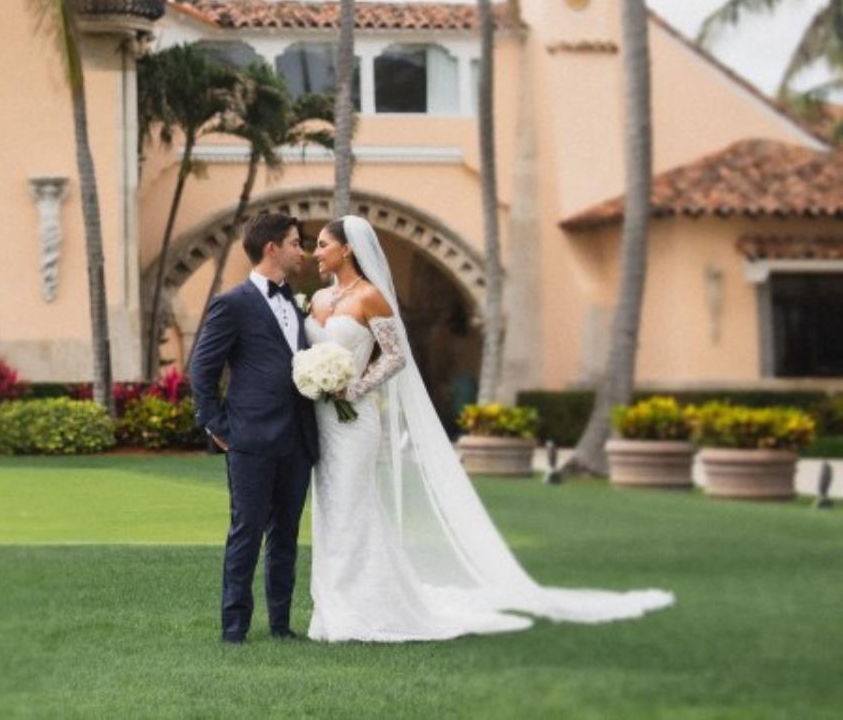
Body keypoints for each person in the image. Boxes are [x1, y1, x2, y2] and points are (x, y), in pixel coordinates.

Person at [301, 215, 675, 641]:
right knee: (330, 509)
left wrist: (356, 387)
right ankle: (331, 603)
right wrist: (312, 378)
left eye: (324, 245)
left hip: (354, 419)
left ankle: (359, 608)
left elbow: (395, 356)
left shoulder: (371, 297)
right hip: (321, 420)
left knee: (353, 507)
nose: (317, 252)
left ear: (347, 249)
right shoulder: (317, 299)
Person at [188, 211, 318, 643]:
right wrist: (215, 423)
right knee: (246, 532)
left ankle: (281, 624)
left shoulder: (294, 302)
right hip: (251, 438)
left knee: (286, 535)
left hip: (297, 438)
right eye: (296, 243)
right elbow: (202, 370)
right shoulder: (232, 303)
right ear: (271, 248)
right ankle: (234, 628)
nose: (302, 251)